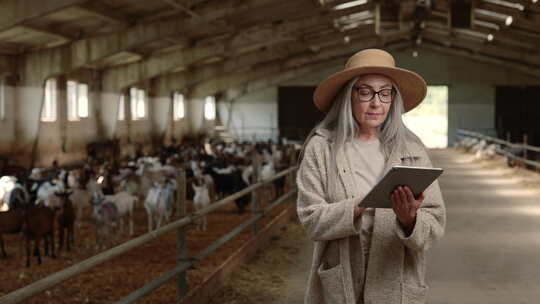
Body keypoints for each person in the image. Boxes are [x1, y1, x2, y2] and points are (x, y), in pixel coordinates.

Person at [296, 48, 445, 304]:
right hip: (340, 279)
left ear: (393, 99)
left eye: (385, 93)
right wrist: (359, 205)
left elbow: (434, 225)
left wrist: (410, 220)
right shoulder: (321, 148)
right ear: (348, 96)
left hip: (396, 280)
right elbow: (310, 219)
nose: (376, 102)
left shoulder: (412, 150)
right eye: (365, 91)